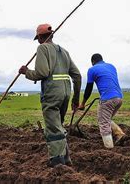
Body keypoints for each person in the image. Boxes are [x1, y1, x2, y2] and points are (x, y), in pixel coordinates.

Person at [19, 23, 81, 167]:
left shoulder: (42, 48)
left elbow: (42, 73)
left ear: (40, 37)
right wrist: (75, 98)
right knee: (58, 125)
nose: (39, 41)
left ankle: (57, 162)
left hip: (52, 93)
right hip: (66, 93)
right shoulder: (64, 51)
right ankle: (65, 158)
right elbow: (77, 76)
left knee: (53, 128)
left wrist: (26, 72)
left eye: (38, 38)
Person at [79, 53, 125, 148]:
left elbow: (88, 88)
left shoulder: (92, 70)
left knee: (103, 123)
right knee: (106, 119)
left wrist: (82, 104)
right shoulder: (111, 66)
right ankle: (119, 134)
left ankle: (109, 148)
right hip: (119, 98)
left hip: (108, 99)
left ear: (93, 62)